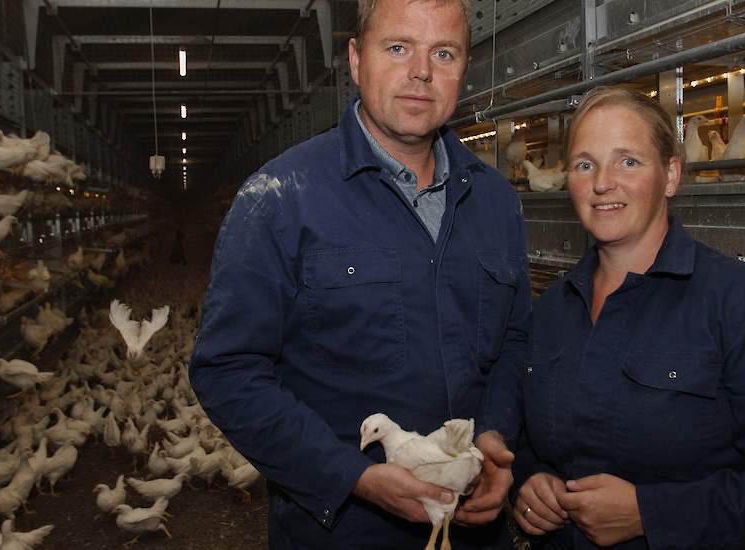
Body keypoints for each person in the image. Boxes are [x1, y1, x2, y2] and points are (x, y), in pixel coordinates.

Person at [189, 0, 529, 548]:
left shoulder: (496, 203)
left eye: (443, 53)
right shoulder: (279, 200)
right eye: (397, 48)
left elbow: (515, 343)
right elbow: (226, 370)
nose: (421, 71)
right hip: (344, 531)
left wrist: (491, 438)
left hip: (470, 528)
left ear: (464, 67)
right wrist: (354, 477)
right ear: (354, 59)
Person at [507, 87, 745, 549]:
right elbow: (532, 441)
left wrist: (650, 514)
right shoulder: (552, 310)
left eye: (628, 161)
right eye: (585, 164)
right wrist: (531, 483)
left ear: (670, 175)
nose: (602, 182)